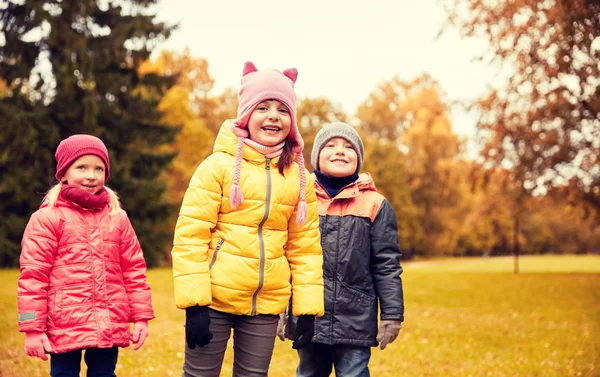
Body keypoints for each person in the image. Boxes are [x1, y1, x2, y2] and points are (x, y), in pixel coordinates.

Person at [171, 61, 325, 377]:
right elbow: (191, 235)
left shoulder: (300, 179)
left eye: (283, 109)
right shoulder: (218, 167)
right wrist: (195, 303)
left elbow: (305, 247)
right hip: (213, 299)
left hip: (265, 304)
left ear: (292, 121)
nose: (273, 116)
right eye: (263, 107)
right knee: (200, 374)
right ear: (246, 116)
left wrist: (306, 308)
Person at [17, 134, 155, 377]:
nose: (91, 175)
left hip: (109, 320)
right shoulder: (47, 218)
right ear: (64, 173)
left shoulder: (117, 217)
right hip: (64, 322)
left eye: (98, 168)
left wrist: (141, 317)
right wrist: (32, 328)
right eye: (82, 167)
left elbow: (134, 270)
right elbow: (33, 277)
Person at [279, 122, 405, 377]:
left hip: (355, 320)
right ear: (316, 156)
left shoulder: (375, 205)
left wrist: (392, 314)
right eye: (331, 145)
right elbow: (284, 257)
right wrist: (280, 310)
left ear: (358, 159)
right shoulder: (299, 199)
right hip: (308, 315)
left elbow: (387, 264)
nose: (340, 151)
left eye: (349, 147)